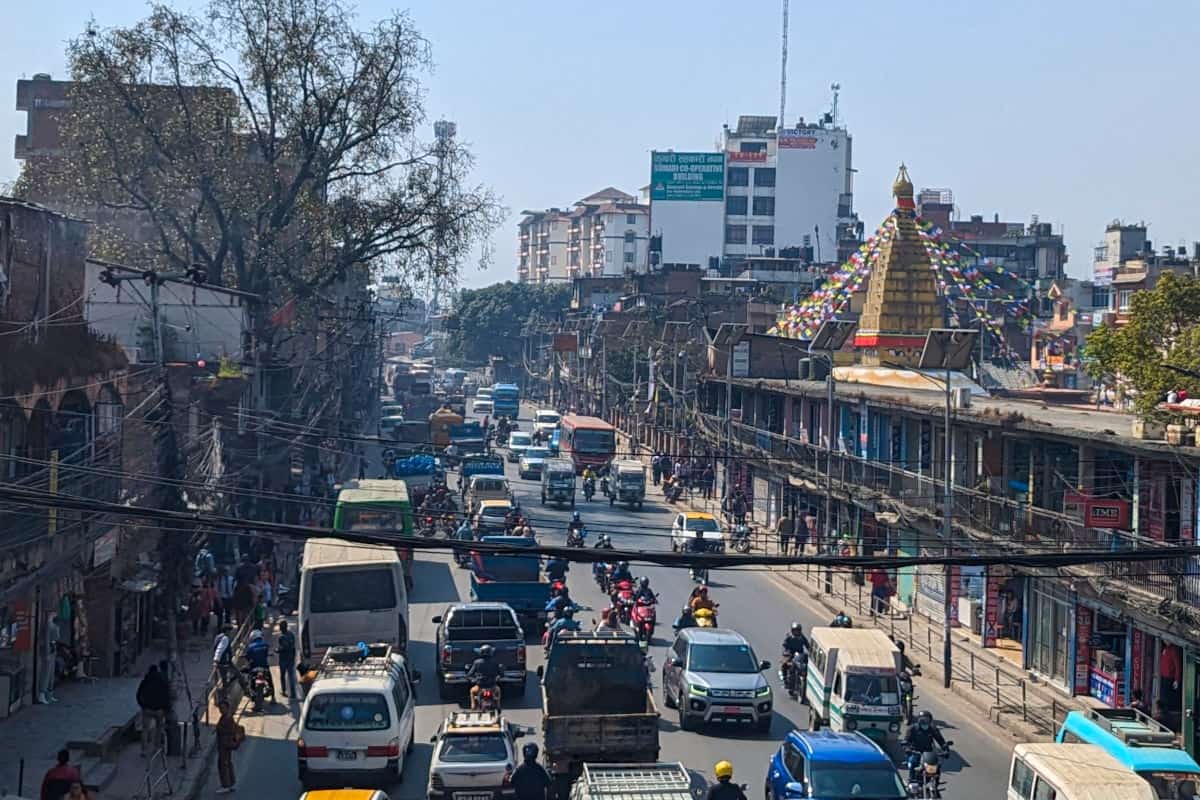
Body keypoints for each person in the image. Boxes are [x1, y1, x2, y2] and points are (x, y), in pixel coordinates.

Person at [136, 665, 171, 756]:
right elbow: (167, 695)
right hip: (159, 710)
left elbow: (139, 694)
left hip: (147, 709)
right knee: (158, 729)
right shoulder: (163, 681)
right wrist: (165, 708)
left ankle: (143, 750)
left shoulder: (146, 680)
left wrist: (142, 705)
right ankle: (156, 748)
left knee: (145, 729)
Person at [214, 699, 244, 794]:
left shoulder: (227, 718)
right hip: (225, 744)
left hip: (225, 744)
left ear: (227, 708)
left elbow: (229, 731)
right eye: (220, 708)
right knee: (227, 763)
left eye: (222, 708)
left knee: (223, 764)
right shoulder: (226, 717)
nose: (221, 710)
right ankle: (230, 783)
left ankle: (225, 785)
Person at [467, 644, 502, 709]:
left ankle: (473, 706)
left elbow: (470, 674)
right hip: (492, 686)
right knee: (498, 690)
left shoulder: (476, 662)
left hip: (480, 687)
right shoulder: (495, 662)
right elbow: (501, 673)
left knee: (472, 691)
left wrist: (472, 680)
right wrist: (498, 677)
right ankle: (498, 706)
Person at [277, 620, 298, 699]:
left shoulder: (281, 637)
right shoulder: (291, 635)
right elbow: (293, 647)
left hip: (283, 659)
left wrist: (277, 650)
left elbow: (282, 648)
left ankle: (284, 690)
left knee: (282, 675)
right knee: (291, 676)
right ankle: (293, 693)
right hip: (291, 658)